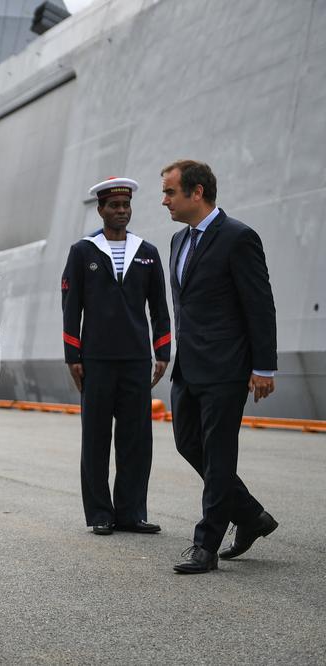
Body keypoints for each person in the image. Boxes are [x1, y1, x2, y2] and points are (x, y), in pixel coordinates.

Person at [161, 160, 279, 574]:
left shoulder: (238, 238)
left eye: (171, 192)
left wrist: (263, 367)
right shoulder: (177, 241)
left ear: (197, 192)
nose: (164, 200)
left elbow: (259, 306)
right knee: (187, 443)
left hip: (227, 368)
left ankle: (206, 545)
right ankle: (251, 516)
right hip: (188, 367)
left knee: (219, 454)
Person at [62, 177, 171, 536]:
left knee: (136, 438)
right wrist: (72, 355)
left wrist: (163, 350)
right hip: (95, 359)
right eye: (114, 206)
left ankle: (131, 513)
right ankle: (99, 514)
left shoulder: (147, 251)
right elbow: (70, 307)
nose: (121, 211)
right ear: (101, 209)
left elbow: (159, 307)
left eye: (125, 206)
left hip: (136, 359)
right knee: (95, 438)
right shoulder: (83, 251)